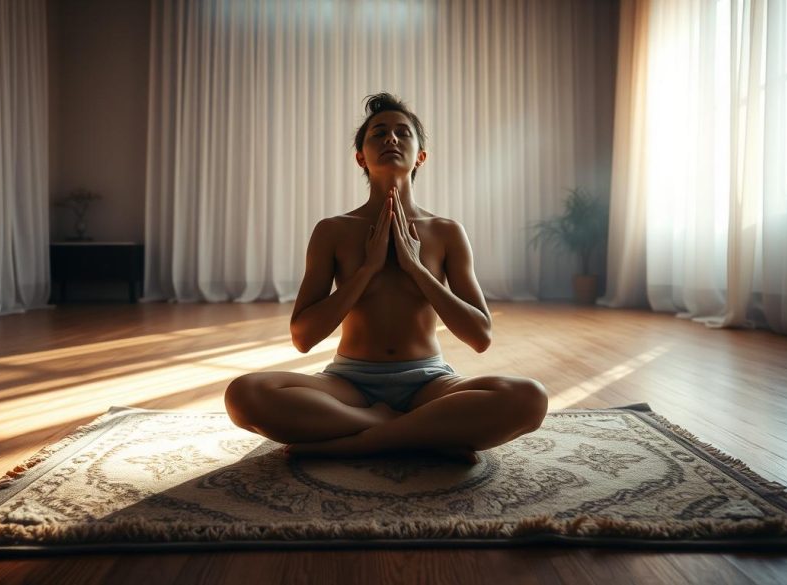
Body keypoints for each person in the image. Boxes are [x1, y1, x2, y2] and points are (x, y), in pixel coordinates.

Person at [224, 93, 548, 463]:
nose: (391, 139)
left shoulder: (446, 232)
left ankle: (361, 441)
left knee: (529, 397)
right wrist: (367, 269)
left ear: (420, 156)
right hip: (348, 384)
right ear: (361, 157)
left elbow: (480, 337)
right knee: (244, 394)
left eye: (402, 133)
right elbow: (303, 337)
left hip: (430, 382)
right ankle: (416, 431)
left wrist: (417, 268)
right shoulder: (333, 230)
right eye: (378, 133)